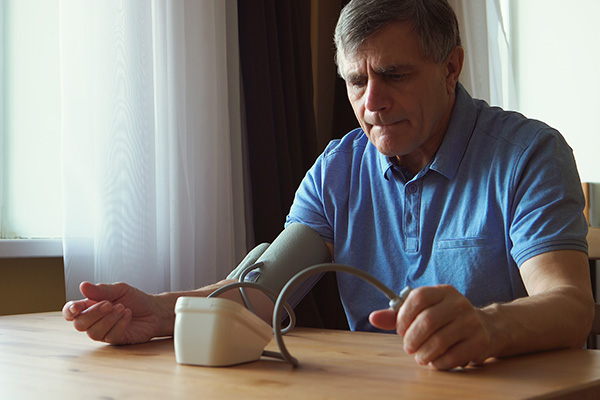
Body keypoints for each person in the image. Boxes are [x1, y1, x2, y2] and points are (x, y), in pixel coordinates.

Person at [63, 0, 594, 370]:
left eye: (395, 75)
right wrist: (156, 312)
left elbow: (572, 307)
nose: (372, 103)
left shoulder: (529, 154)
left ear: (451, 66)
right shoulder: (338, 168)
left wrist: (487, 329)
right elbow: (258, 293)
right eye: (357, 82)